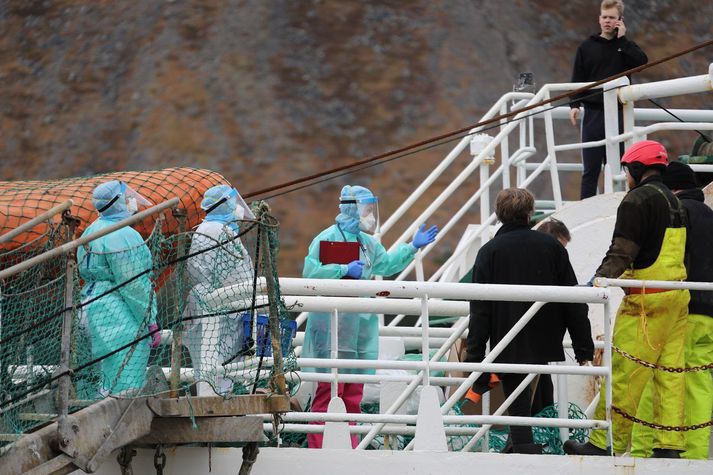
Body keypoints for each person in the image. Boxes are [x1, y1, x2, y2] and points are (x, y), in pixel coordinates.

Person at [564, 140, 689, 458]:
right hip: (677, 299)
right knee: (670, 376)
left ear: (635, 168)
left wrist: (597, 281)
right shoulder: (675, 202)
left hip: (646, 304)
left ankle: (604, 444)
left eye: (627, 170)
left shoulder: (638, 200)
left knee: (623, 375)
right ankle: (669, 446)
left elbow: (623, 249)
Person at [301, 185, 438, 449]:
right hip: (332, 326)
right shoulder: (326, 238)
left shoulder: (367, 243)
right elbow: (311, 273)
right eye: (366, 209)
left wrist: (412, 247)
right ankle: (319, 446)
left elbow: (386, 263)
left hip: (359, 328)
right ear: (352, 208)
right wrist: (341, 269)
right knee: (329, 390)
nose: (371, 215)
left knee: (354, 392)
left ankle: (349, 445)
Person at [466, 188, 594, 454]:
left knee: (518, 389)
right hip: (545, 339)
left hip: (508, 340)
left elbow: (479, 310)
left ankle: (523, 444)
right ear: (530, 213)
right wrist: (583, 348)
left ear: (498, 214)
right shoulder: (551, 247)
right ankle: (529, 442)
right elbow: (573, 299)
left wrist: (475, 359)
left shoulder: (489, 252)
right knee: (540, 386)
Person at [630, 162, 713, 459]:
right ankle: (695, 456)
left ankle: (644, 452)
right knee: (699, 382)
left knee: (656, 377)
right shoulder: (710, 216)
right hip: (708, 314)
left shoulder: (675, 213)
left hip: (675, 309)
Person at [76, 180, 160, 396]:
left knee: (102, 375)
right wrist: (149, 319)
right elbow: (133, 284)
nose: (131, 201)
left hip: (91, 305)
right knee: (124, 380)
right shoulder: (123, 234)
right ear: (118, 202)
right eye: (125, 197)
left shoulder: (91, 230)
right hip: (116, 313)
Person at [570, 0, 648, 199]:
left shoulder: (625, 46)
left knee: (622, 167)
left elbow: (641, 63)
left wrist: (623, 40)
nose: (607, 21)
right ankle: (586, 209)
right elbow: (577, 78)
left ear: (620, 21)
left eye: (612, 17)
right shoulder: (586, 47)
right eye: (604, 17)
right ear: (599, 19)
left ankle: (621, 206)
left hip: (620, 114)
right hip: (593, 116)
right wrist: (574, 104)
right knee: (591, 169)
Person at [183, 185, 255, 396]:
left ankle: (214, 394)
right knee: (222, 365)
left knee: (210, 363)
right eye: (233, 204)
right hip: (224, 304)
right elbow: (235, 274)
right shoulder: (220, 231)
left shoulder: (205, 229)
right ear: (224, 205)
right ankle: (219, 401)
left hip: (210, 301)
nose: (238, 209)